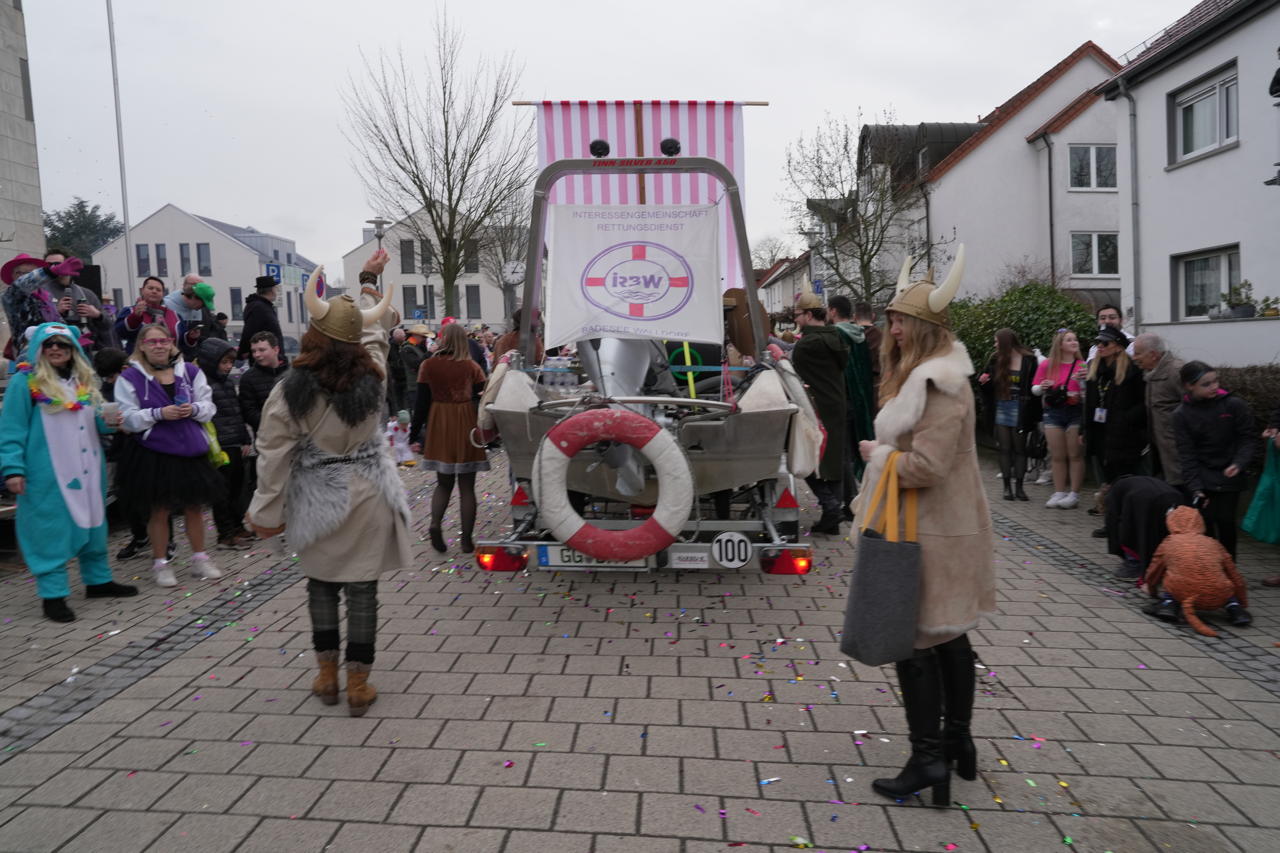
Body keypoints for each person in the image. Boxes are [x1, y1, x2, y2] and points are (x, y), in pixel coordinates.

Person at [854, 247, 994, 807]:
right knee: (950, 636)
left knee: (915, 643)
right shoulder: (933, 376)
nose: (893, 329)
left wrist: (877, 456)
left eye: (901, 321)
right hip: (939, 528)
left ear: (926, 329)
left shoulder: (936, 384)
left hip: (926, 533)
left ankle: (928, 758)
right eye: (890, 319)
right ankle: (957, 745)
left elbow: (928, 468)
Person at [246, 251, 409, 717]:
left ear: (313, 334)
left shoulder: (289, 388)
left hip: (316, 496)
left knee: (320, 584)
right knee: (363, 589)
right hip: (368, 493)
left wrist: (265, 514)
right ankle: (359, 684)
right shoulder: (372, 376)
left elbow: (273, 454)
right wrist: (368, 282)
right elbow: (376, 331)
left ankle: (326, 676)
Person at [0, 323, 137, 621]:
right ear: (39, 348)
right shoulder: (26, 383)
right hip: (47, 474)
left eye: (62, 344)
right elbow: (11, 429)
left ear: (73, 348)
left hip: (88, 470)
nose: (56, 349)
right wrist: (13, 469)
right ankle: (53, 595)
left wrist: (111, 422)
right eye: (49, 344)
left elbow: (93, 420)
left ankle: (98, 581)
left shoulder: (82, 382)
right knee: (49, 530)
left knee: (94, 525)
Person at [114, 323, 225, 586]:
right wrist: (158, 414)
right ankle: (160, 563)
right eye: (152, 342)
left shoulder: (190, 371)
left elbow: (209, 407)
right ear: (141, 345)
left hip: (189, 449)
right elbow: (127, 419)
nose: (159, 346)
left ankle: (200, 558)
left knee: (195, 507)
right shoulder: (129, 378)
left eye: (163, 341)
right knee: (159, 509)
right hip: (155, 452)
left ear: (171, 343)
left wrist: (193, 409)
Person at [410, 322, 490, 553]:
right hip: (465, 419)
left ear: (443, 339)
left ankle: (435, 523)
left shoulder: (428, 364)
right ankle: (466, 539)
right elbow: (482, 396)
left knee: (443, 483)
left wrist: (414, 433)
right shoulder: (471, 366)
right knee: (467, 485)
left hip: (439, 419)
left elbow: (421, 402)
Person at [1173, 361, 1256, 562]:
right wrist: (1195, 487)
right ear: (1189, 386)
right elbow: (1187, 454)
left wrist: (1239, 463)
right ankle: (1210, 571)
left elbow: (1248, 438)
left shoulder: (1233, 405)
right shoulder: (1181, 415)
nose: (1213, 387)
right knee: (1205, 523)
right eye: (1206, 384)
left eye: (1215, 381)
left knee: (1226, 522)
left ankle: (1229, 569)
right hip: (1203, 474)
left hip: (1230, 473)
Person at [791, 292, 849, 534]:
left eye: (797, 315)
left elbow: (794, 367)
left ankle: (831, 507)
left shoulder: (808, 344)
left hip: (816, 408)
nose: (796, 320)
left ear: (807, 314)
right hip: (836, 405)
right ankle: (832, 519)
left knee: (805, 459)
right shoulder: (836, 337)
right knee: (832, 461)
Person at [1084, 326, 1147, 534]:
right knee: (1108, 480)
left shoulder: (1131, 371)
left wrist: (1126, 419)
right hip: (1101, 433)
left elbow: (1142, 402)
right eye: (1098, 343)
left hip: (1123, 436)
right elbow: (1090, 404)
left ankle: (1124, 525)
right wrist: (1085, 431)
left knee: (1124, 481)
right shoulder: (1095, 369)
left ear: (1118, 347)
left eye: (1105, 343)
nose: (1100, 347)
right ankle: (1111, 524)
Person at [196, 337, 254, 550]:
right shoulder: (204, 385)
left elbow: (236, 412)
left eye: (231, 363)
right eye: (224, 362)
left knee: (237, 489)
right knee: (222, 492)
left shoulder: (228, 383)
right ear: (212, 362)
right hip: (218, 445)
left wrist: (244, 438)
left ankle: (237, 525)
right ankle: (225, 533)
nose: (228, 367)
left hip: (234, 442)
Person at [978, 329, 1038, 501]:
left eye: (997, 341)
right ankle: (1006, 488)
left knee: (1020, 449)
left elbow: (1034, 386)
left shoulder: (1029, 360)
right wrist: (983, 382)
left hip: (1021, 408)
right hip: (1002, 406)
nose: (994, 345)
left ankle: (1019, 488)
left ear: (1005, 342)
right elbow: (987, 387)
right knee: (1004, 449)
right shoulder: (996, 359)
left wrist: (1033, 414)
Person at [827, 295, 876, 501]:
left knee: (845, 450)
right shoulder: (860, 334)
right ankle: (864, 491)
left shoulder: (836, 334)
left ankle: (851, 499)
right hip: (861, 397)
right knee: (859, 446)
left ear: (833, 311)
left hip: (843, 398)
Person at [1031, 330, 1085, 508]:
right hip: (1053, 411)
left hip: (1075, 410)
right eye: (1069, 340)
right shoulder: (1047, 364)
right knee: (1057, 455)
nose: (1073, 342)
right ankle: (1059, 491)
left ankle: (1074, 494)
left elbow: (1089, 394)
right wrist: (1042, 386)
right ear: (1060, 345)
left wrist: (1082, 386)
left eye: (1075, 339)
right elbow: (1035, 389)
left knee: (1075, 454)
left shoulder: (1082, 365)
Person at [1132, 333, 1184, 485]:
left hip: (1177, 451)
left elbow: (1196, 409)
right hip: (1159, 451)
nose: (1134, 358)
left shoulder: (1176, 371)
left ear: (1153, 355)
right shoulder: (1150, 373)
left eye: (1137, 353)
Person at [43, 249, 113, 350]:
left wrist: (97, 315)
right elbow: (32, 327)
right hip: (54, 349)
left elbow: (108, 326)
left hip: (84, 350)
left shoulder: (86, 294)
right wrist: (55, 312)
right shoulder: (41, 293)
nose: (54, 268)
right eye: (49, 265)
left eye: (58, 264)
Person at [2, 255, 65, 363]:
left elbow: (57, 322)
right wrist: (49, 271)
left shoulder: (47, 297)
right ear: (13, 276)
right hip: (29, 358)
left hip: (54, 355)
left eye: (30, 273)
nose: (25, 276)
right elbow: (22, 284)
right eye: (19, 273)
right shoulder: (11, 296)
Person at [115, 277, 179, 353]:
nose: (154, 291)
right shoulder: (130, 311)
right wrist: (135, 317)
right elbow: (118, 332)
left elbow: (181, 341)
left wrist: (190, 337)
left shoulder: (174, 315)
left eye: (158, 290)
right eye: (150, 288)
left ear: (163, 294)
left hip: (168, 360)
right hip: (139, 360)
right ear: (142, 290)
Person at [237, 276, 284, 362]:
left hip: (272, 357)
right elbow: (249, 330)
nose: (276, 292)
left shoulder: (263, 306)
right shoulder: (258, 307)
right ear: (271, 290)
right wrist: (243, 351)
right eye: (275, 289)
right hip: (264, 359)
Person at [853, 300, 883, 406]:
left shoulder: (850, 337)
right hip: (878, 389)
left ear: (854, 317)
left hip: (855, 390)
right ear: (873, 316)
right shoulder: (881, 336)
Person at [400, 325, 432, 410]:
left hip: (420, 384)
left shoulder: (416, 347)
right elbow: (417, 365)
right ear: (415, 335)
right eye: (423, 336)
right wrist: (429, 353)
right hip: (414, 387)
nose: (424, 339)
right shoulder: (407, 348)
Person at [386, 327, 408, 413]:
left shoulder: (405, 345)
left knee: (405, 399)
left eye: (403, 338)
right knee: (396, 398)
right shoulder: (389, 347)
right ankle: (397, 414)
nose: (403, 340)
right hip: (394, 377)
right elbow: (388, 361)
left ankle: (404, 414)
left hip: (404, 377)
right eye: (400, 339)